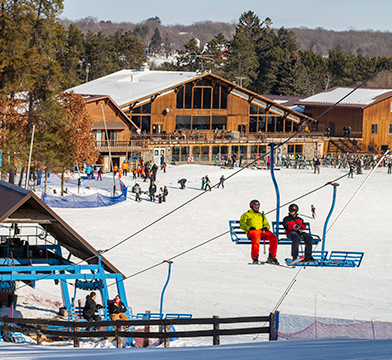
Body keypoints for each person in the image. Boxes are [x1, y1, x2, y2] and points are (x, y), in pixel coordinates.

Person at [240, 200, 278, 264]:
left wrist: (266, 227)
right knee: (256, 237)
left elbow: (266, 224)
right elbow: (242, 224)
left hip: (261, 231)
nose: (257, 207)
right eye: (255, 206)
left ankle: (271, 257)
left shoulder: (261, 215)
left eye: (258, 205)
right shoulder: (247, 215)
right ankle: (255, 257)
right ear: (251, 206)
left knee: (273, 237)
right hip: (253, 231)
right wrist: (249, 228)